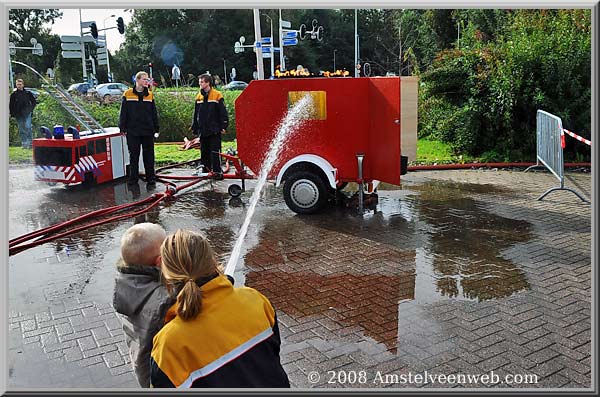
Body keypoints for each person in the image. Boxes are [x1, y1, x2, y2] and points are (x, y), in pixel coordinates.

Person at [150, 230, 290, 388]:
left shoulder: (169, 344)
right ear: (212, 260)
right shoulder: (255, 300)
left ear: (164, 270)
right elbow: (272, 353)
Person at [113, 223, 174, 388]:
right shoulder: (165, 299)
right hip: (161, 373)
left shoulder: (125, 281)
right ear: (159, 261)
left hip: (141, 363)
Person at [119, 71, 160, 186]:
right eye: (144, 79)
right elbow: (123, 113)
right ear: (137, 80)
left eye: (147, 80)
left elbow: (154, 113)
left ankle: (151, 178)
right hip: (133, 131)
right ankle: (133, 179)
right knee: (134, 156)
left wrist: (156, 128)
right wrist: (122, 127)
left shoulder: (150, 95)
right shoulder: (127, 94)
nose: (147, 82)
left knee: (149, 156)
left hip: (147, 130)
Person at [191, 74, 228, 179]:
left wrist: (224, 125)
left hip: (214, 129)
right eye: (199, 82)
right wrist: (195, 127)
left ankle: (217, 172)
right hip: (203, 129)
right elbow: (196, 113)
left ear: (208, 83)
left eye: (202, 82)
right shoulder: (199, 96)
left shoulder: (217, 95)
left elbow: (222, 112)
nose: (200, 84)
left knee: (215, 151)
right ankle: (205, 171)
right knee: (204, 151)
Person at [9, 79, 37, 149]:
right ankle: (24, 143)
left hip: (27, 113)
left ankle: (30, 143)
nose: (19, 86)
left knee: (28, 127)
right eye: (17, 84)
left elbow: (34, 102)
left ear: (23, 85)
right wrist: (12, 114)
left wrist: (31, 109)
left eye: (20, 84)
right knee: (21, 128)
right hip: (18, 114)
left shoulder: (28, 93)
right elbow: (11, 105)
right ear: (16, 85)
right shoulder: (14, 95)